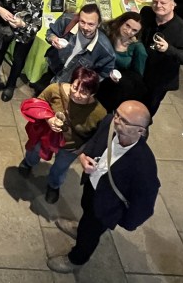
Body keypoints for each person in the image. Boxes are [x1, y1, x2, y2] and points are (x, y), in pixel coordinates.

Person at [46, 102, 158, 273]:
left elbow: (144, 205)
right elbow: (96, 140)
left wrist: (123, 221)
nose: (117, 121)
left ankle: (76, 259)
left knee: (90, 235)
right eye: (117, 114)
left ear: (140, 131)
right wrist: (84, 157)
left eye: (125, 121)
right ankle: (80, 227)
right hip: (92, 186)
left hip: (107, 207)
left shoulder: (144, 165)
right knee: (86, 210)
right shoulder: (109, 122)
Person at [20, 66, 107, 204]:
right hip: (46, 136)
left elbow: (96, 137)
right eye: (75, 87)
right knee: (34, 150)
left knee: (60, 168)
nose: (77, 94)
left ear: (92, 93)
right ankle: (28, 163)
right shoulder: (55, 89)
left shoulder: (99, 113)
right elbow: (38, 103)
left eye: (84, 92)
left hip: (71, 147)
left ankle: (53, 185)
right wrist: (49, 119)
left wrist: (82, 152)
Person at [139, 0, 183, 114]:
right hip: (139, 69)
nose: (158, 5)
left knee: (146, 111)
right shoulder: (146, 13)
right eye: (155, 2)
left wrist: (168, 49)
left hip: (159, 78)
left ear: (173, 4)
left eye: (163, 3)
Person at [0, 0, 44, 100]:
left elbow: (36, 26)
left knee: (18, 60)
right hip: (5, 29)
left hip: (24, 32)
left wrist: (22, 24)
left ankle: (10, 85)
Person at [44, 5, 115, 84]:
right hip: (53, 67)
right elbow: (50, 33)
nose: (85, 27)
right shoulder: (67, 21)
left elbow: (103, 73)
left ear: (98, 24)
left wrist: (85, 82)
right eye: (82, 22)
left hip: (71, 82)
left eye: (90, 24)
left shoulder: (105, 50)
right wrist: (53, 38)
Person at [96, 13, 148, 111]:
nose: (128, 31)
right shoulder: (106, 31)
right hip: (95, 74)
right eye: (127, 25)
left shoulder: (138, 48)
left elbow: (136, 76)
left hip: (111, 87)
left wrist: (121, 79)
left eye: (134, 30)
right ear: (121, 22)